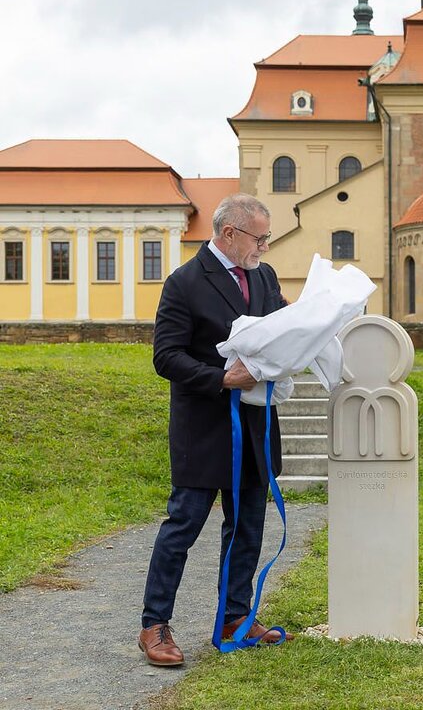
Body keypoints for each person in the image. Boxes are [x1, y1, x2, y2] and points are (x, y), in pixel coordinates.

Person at [139, 193, 293, 667]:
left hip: (255, 423)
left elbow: (284, 325)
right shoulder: (184, 282)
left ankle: (236, 618)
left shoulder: (264, 277)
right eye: (259, 237)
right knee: (182, 527)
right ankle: (154, 625)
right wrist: (222, 378)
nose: (265, 247)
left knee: (247, 527)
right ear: (229, 233)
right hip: (205, 427)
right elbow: (166, 356)